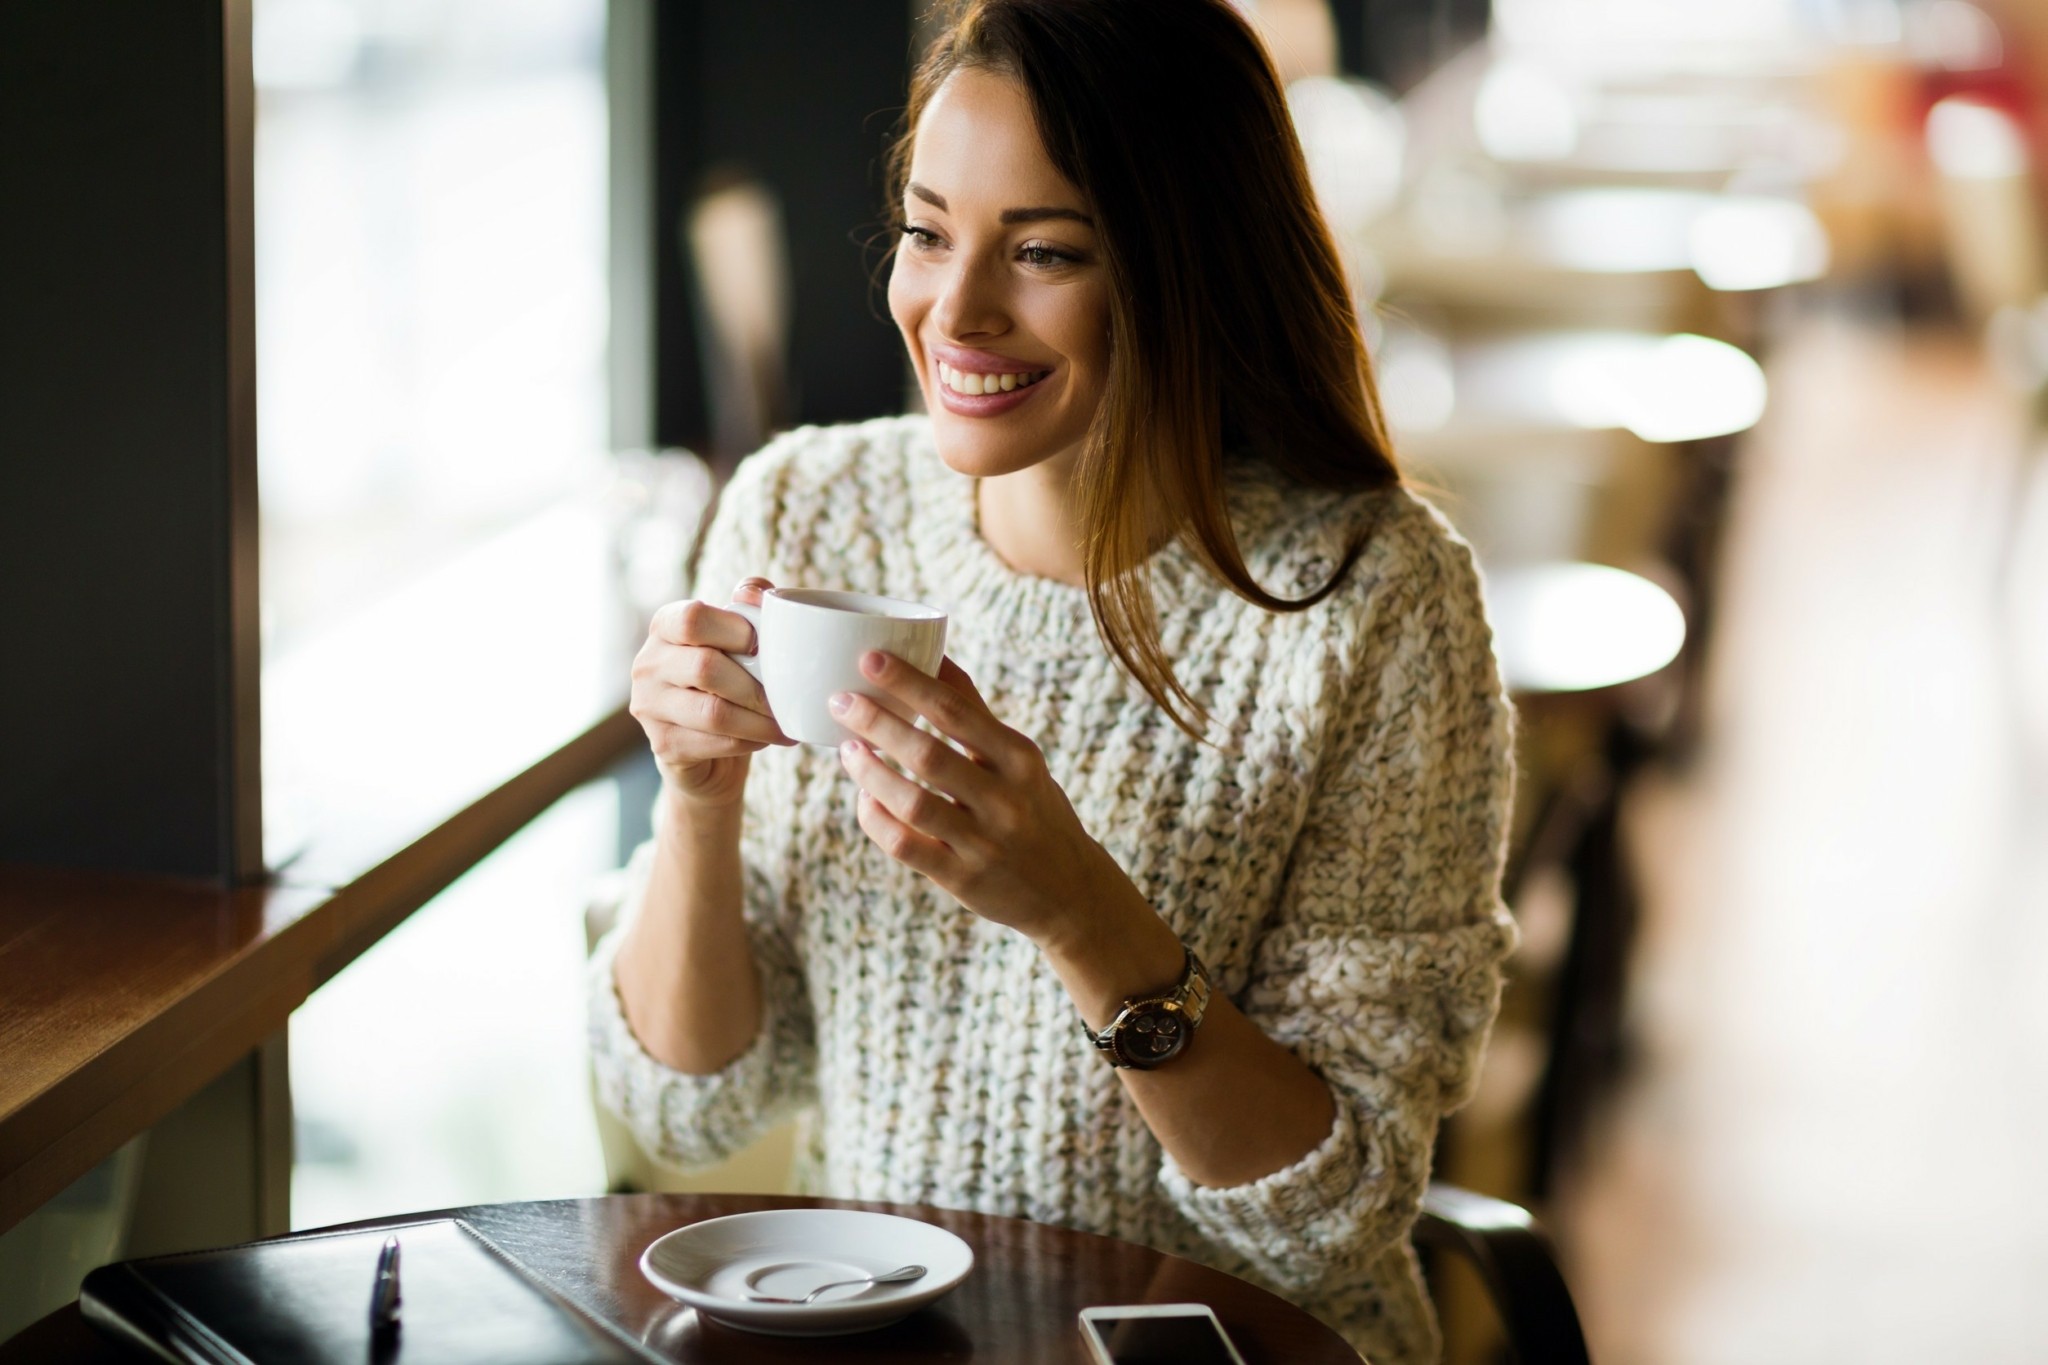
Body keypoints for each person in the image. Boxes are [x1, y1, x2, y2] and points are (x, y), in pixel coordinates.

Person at [588, 2, 1516, 1359]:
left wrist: (1083, 915)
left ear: (1188, 264)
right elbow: (689, 1111)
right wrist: (701, 800)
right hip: (892, 1340)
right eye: (926, 230)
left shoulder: (1375, 599)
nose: (955, 308)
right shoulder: (805, 511)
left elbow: (1337, 1215)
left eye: (1043, 251)